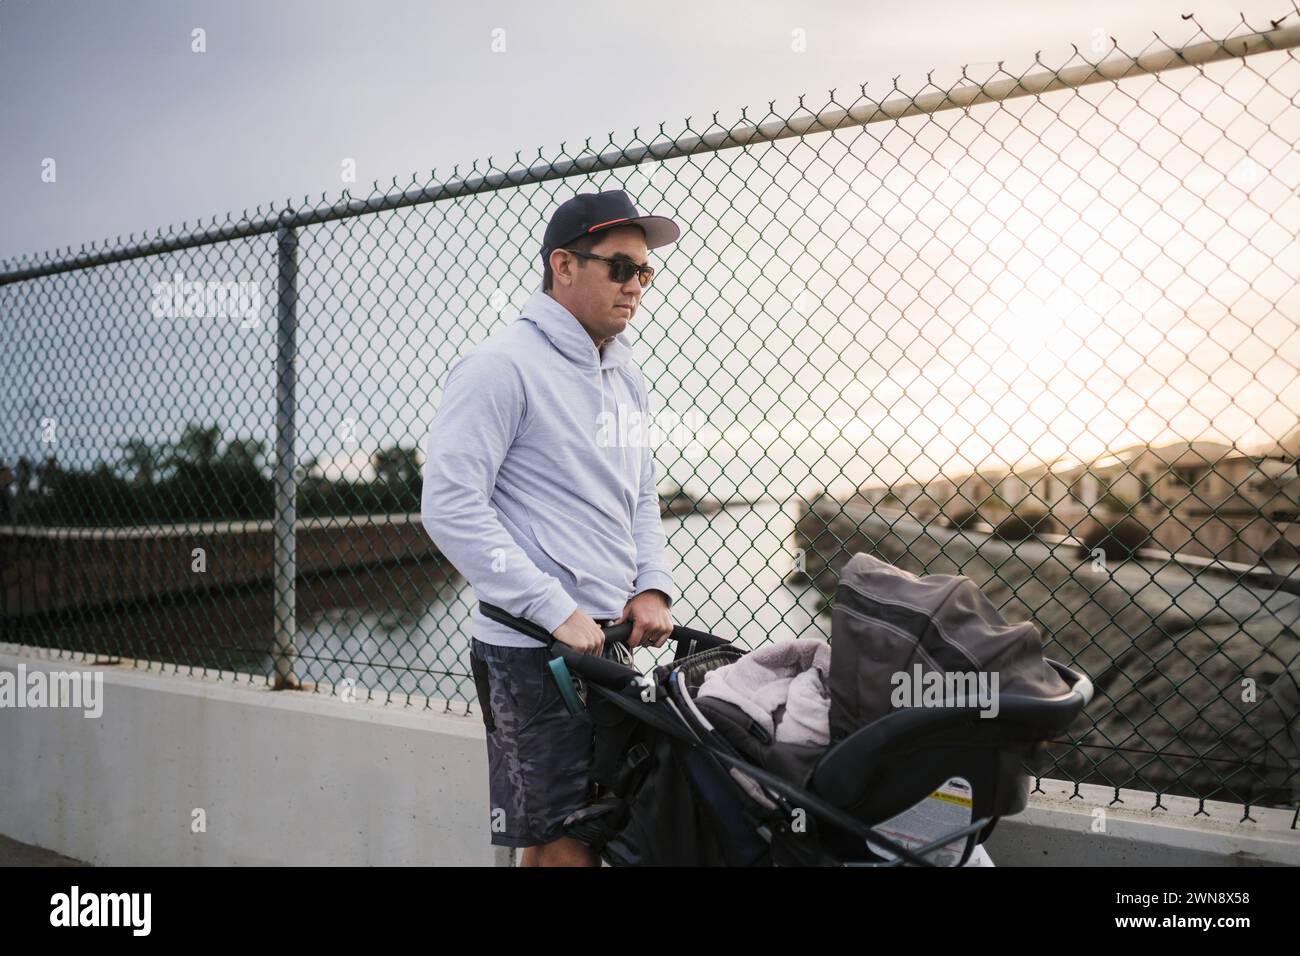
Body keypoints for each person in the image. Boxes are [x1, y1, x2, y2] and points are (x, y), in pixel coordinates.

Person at [421, 189, 683, 866]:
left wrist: (652, 587)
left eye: (645, 271)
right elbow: (450, 505)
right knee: (564, 845)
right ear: (563, 266)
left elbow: (641, 497)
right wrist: (554, 608)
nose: (637, 286)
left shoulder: (626, 379)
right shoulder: (500, 367)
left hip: (607, 644)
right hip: (533, 651)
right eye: (619, 268)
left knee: (584, 837)